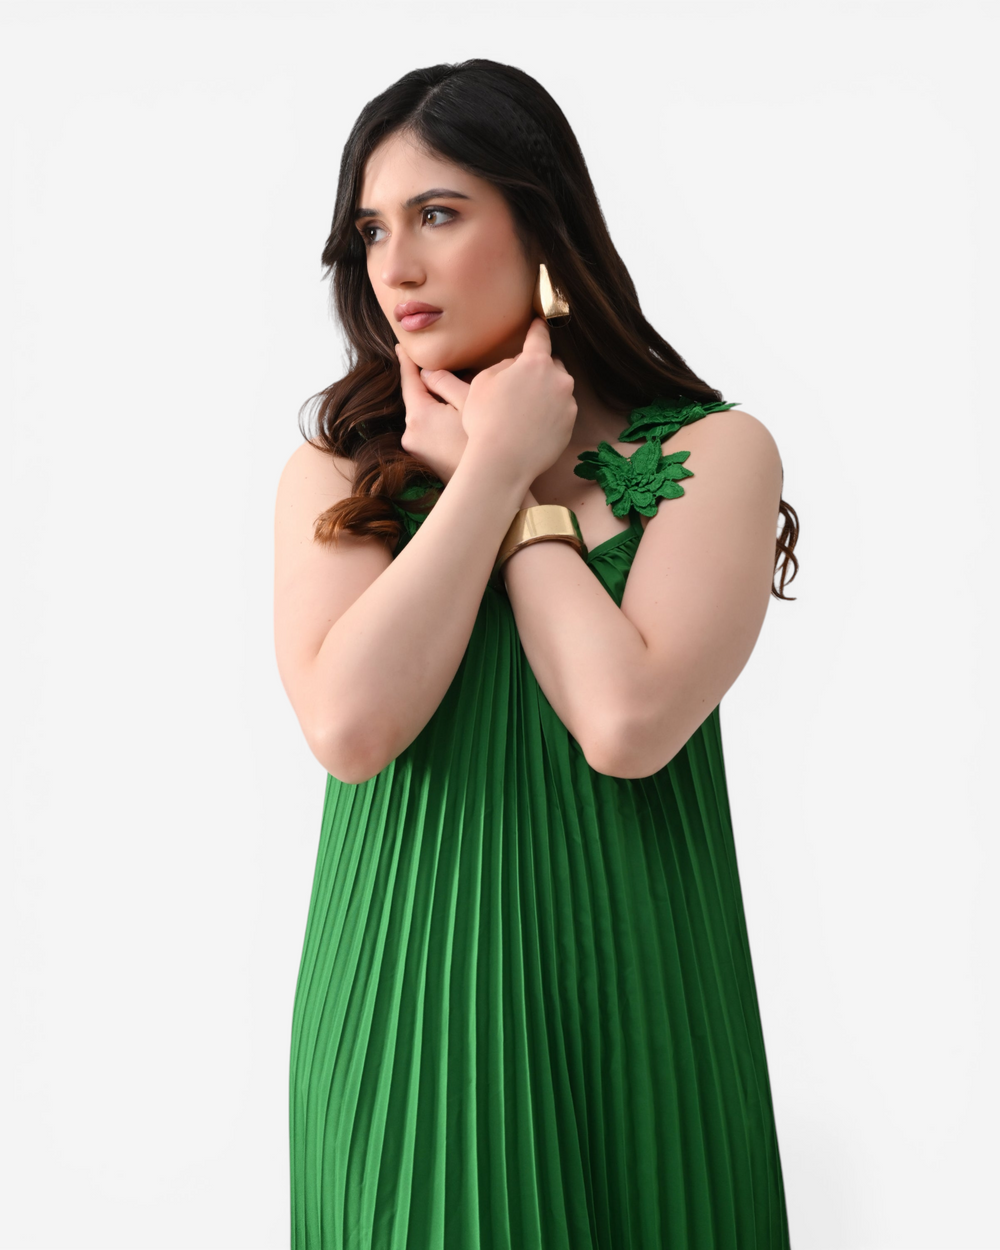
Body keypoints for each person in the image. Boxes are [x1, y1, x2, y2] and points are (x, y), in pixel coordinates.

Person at [274, 57, 799, 1250]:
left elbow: (624, 722)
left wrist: (508, 483)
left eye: (437, 214)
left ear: (543, 224)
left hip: (644, 1007)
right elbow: (350, 726)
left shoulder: (715, 454)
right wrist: (492, 469)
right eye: (371, 231)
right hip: (410, 1014)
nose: (395, 266)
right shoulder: (338, 470)